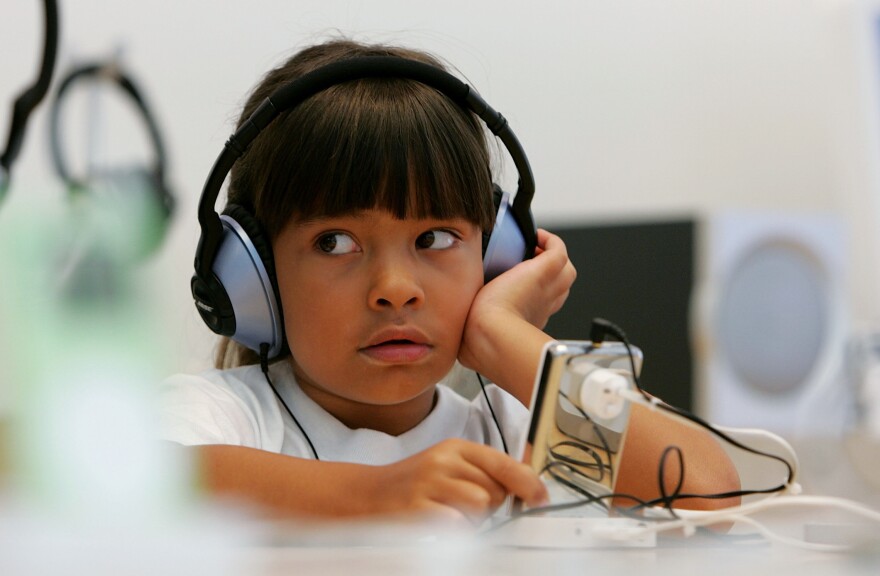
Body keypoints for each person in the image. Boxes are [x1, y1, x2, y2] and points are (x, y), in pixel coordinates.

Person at [161, 38, 740, 525]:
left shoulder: (512, 432)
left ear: (494, 259)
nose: (395, 287)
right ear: (251, 276)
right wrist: (377, 492)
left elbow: (711, 491)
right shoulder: (229, 417)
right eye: (335, 242)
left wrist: (499, 332)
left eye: (435, 238)